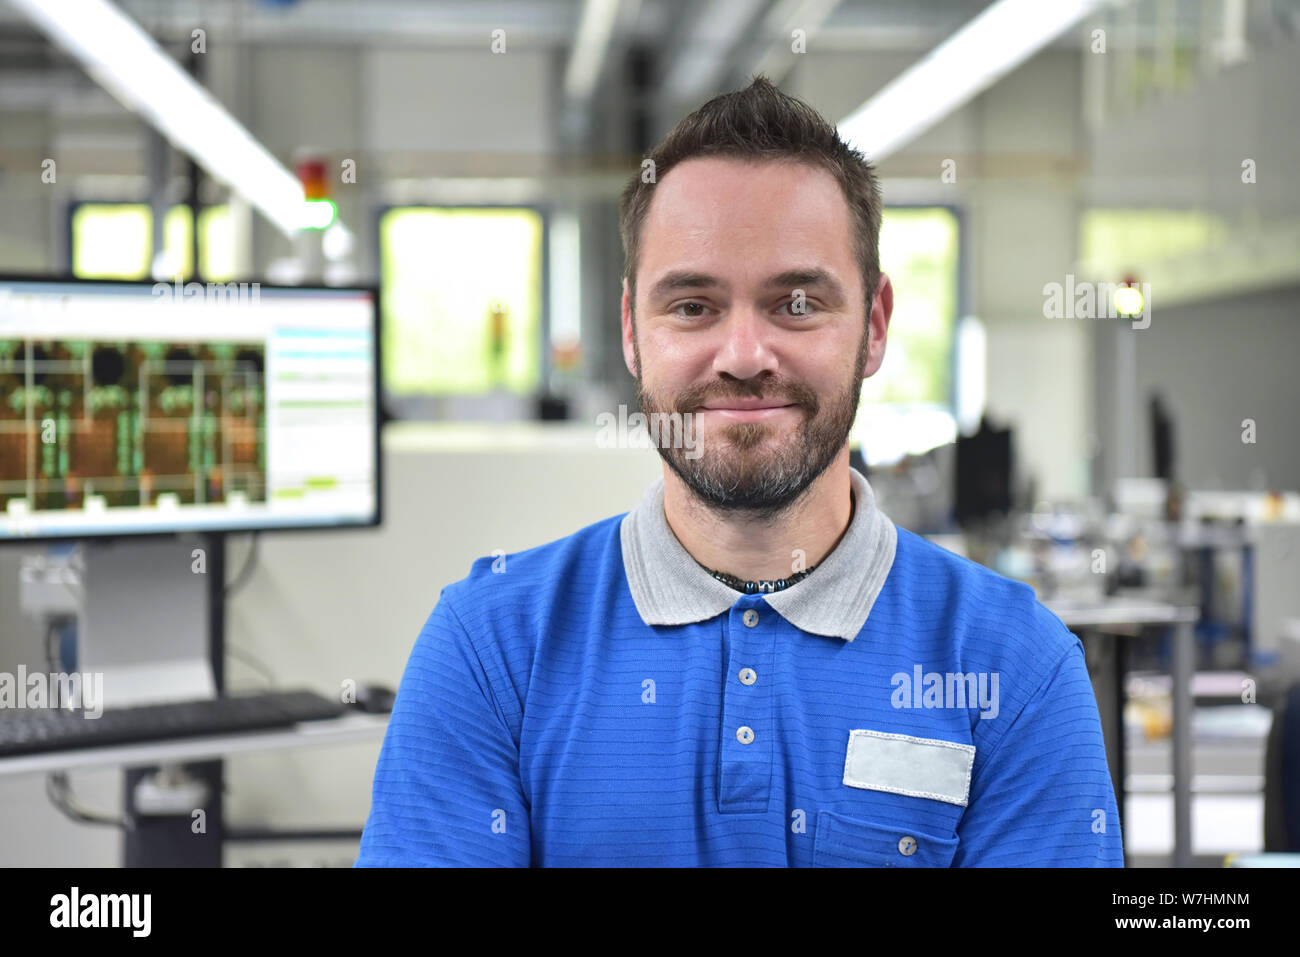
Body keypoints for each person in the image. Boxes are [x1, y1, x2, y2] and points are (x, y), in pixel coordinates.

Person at [356, 75, 1122, 867]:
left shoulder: (1013, 668)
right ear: (630, 329)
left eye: (796, 303)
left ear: (875, 325)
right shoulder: (492, 651)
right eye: (692, 305)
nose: (745, 357)